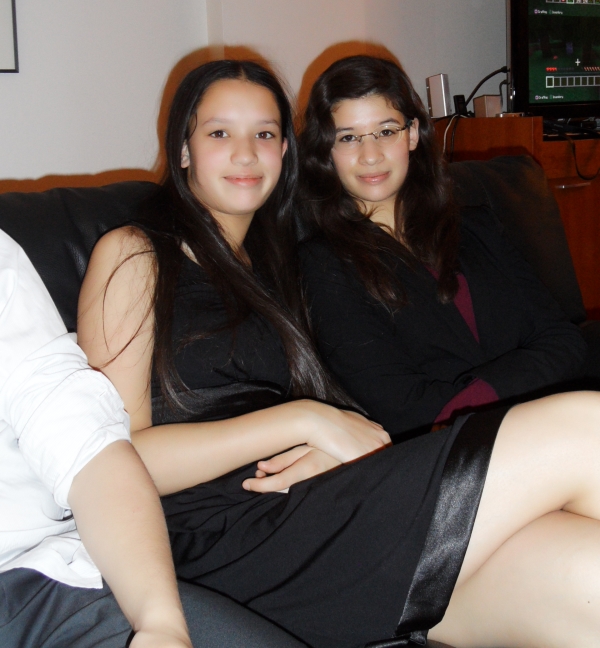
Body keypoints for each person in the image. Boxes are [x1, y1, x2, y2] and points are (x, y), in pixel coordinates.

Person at [78, 58, 600, 648]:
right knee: (586, 427)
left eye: (265, 134)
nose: (246, 154)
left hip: (320, 513)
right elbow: (108, 462)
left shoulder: (277, 267)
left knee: (588, 577)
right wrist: (305, 422)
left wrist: (321, 445)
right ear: (182, 149)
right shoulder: (135, 254)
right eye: (220, 133)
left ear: (286, 152)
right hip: (228, 541)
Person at [0, 226, 303, 648]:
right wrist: (304, 423)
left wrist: (161, 623)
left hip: (46, 579)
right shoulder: (133, 252)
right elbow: (129, 442)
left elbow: (83, 438)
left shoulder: (284, 262)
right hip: (204, 514)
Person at [298, 54, 587, 438]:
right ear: (325, 151)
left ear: (412, 134)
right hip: (452, 452)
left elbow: (564, 340)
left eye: (386, 131)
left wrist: (494, 395)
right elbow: (402, 407)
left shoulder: (478, 225)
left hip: (546, 425)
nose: (371, 155)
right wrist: (516, 388)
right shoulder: (324, 264)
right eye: (348, 137)